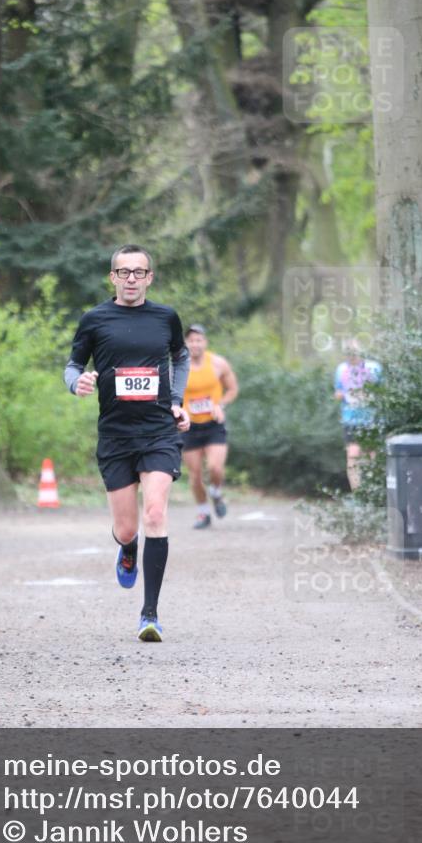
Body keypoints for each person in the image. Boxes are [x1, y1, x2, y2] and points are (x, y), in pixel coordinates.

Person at [64, 245, 190, 642]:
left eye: (139, 272)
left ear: (150, 277)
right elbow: (73, 365)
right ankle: (128, 547)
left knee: (155, 513)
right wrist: (77, 382)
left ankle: (149, 614)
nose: (131, 278)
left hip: (159, 432)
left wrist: (176, 401)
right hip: (116, 435)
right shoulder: (94, 320)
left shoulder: (166, 317)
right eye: (124, 272)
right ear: (112, 277)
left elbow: (181, 358)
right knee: (125, 528)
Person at [181, 324, 239, 529]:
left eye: (198, 340)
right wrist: (179, 410)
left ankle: (215, 491)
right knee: (195, 475)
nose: (195, 344)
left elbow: (232, 389)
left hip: (214, 424)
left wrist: (220, 405)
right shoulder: (179, 366)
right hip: (189, 427)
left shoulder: (218, 363)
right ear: (186, 343)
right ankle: (203, 513)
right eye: (191, 340)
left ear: (205, 342)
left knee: (215, 467)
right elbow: (170, 393)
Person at [334, 339, 382, 490]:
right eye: (348, 353)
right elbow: (338, 392)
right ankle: (358, 493)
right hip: (351, 420)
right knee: (353, 455)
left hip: (371, 419)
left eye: (354, 353)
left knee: (371, 456)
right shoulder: (341, 369)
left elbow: (383, 392)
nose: (352, 356)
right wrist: (344, 395)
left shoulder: (374, 368)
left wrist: (368, 395)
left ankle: (373, 490)